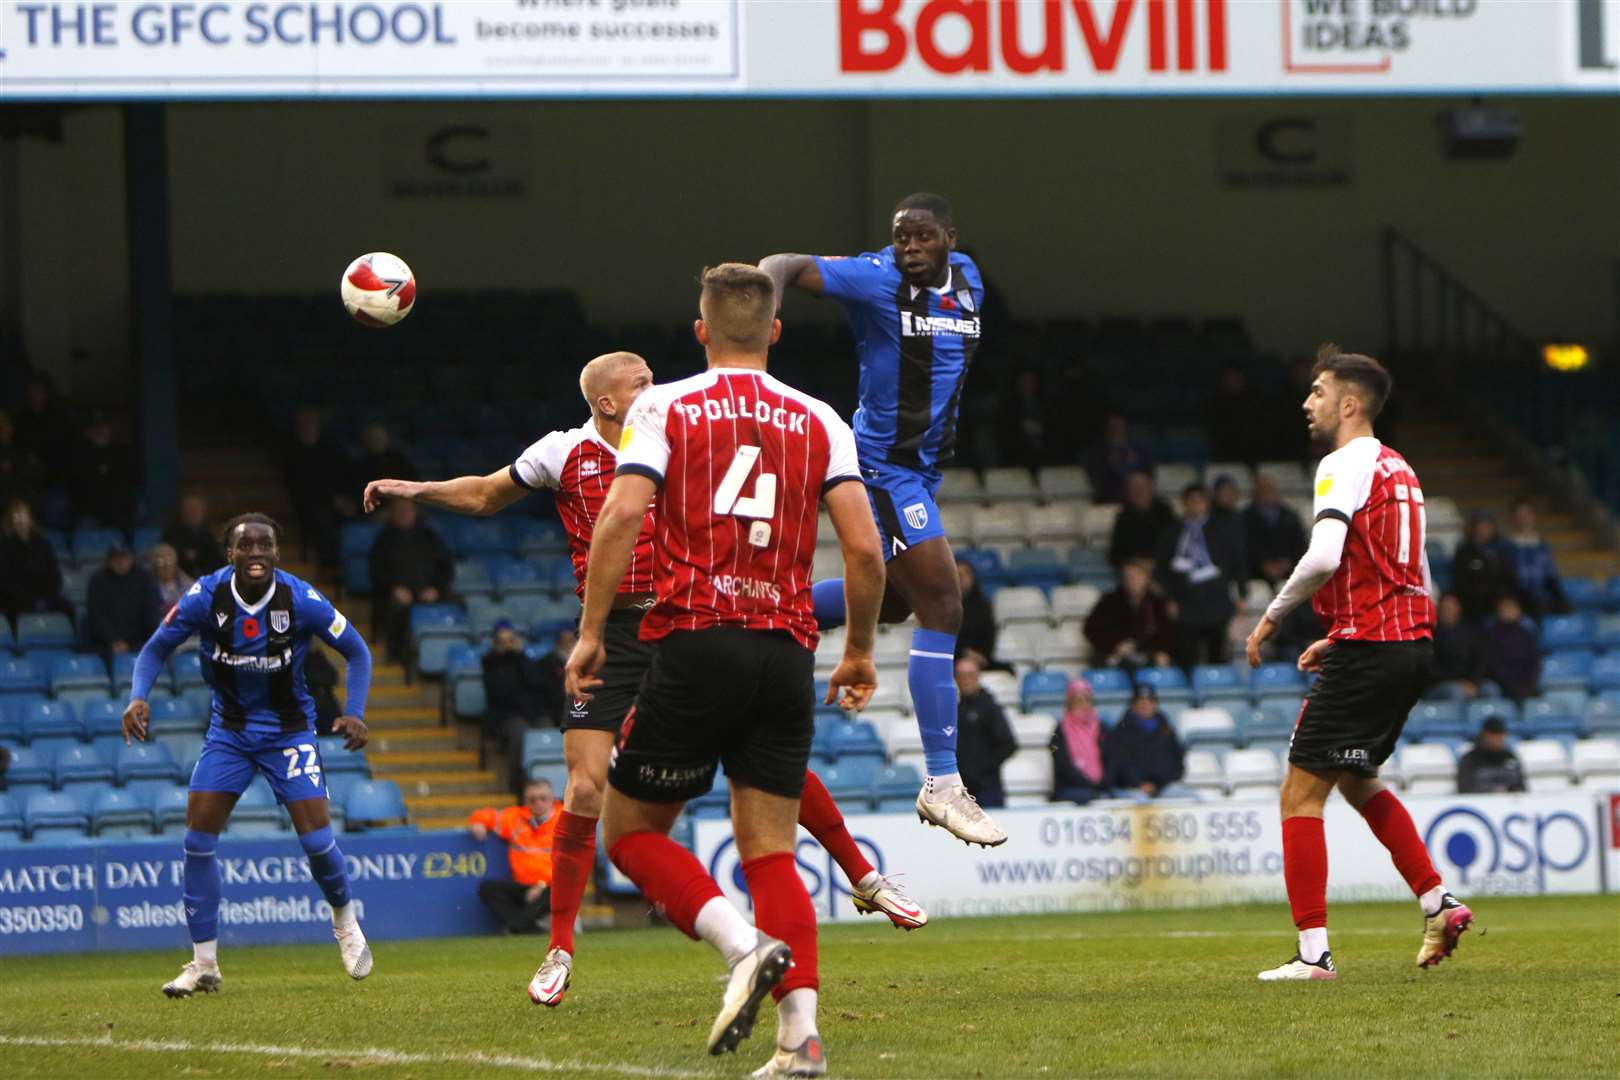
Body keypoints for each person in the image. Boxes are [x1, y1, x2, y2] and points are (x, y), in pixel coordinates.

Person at [363, 349, 922, 1015]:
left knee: (761, 755)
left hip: (688, 621)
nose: (656, 390)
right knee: (587, 786)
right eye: (642, 384)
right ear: (605, 402)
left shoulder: (679, 430)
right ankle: (561, 947)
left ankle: (860, 873)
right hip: (617, 633)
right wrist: (416, 490)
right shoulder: (563, 452)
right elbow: (486, 493)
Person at [567, 264, 886, 1075]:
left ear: (700, 330)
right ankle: (801, 1043)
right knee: (771, 849)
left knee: (632, 834)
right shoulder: (820, 419)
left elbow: (623, 512)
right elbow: (863, 548)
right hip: (787, 650)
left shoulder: (662, 404)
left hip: (699, 638)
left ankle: (742, 947)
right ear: (776, 331)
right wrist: (857, 650)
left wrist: (593, 631)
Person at [761, 193, 1007, 848]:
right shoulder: (875, 279)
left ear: (950, 237)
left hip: (923, 470)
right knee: (945, 605)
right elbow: (782, 261)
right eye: (901, 236)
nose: (910, 246)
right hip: (880, 468)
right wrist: (765, 314)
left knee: (895, 604)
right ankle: (942, 783)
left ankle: (768, 614)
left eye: (923, 235)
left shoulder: (971, 280)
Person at [1244, 344, 1472, 982]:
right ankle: (1437, 902)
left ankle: (1314, 955)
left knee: (1298, 794)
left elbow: (1322, 557)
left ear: (1349, 404)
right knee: (1353, 777)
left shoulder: (1341, 462)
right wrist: (1348, 634)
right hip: (1407, 646)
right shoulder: (1402, 469)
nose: (1306, 402)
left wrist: (1272, 617)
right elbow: (1413, 573)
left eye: (1317, 392)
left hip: (1374, 646)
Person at [120, 513, 374, 997]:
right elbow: (154, 649)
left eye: (265, 545)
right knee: (197, 841)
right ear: (229, 553)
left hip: (289, 732)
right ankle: (204, 964)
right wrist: (138, 697)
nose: (256, 552)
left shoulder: (301, 598)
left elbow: (358, 651)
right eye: (245, 545)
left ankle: (344, 920)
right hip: (230, 732)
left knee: (316, 839)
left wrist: (356, 711)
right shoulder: (205, 596)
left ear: (277, 553)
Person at [1156, 484, 1244, 668]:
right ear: (1184, 504)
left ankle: (1216, 690)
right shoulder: (1171, 532)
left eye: (1200, 500)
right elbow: (1162, 570)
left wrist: (1242, 595)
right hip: (1185, 603)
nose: (1196, 505)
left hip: (1217, 601)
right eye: (1191, 501)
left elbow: (1238, 563)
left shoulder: (1222, 530)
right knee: (1186, 655)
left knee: (1218, 655)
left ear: (1207, 503)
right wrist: (1169, 598)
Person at [367, 496, 454, 663]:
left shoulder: (430, 536)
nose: (404, 513)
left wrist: (436, 588)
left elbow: (447, 567)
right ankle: (397, 655)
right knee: (397, 606)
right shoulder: (383, 539)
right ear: (391, 513)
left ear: (414, 511)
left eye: (407, 509)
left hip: (428, 591)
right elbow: (376, 570)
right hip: (396, 593)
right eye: (399, 510)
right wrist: (393, 588)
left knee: (457, 603)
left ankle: (440, 657)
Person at [468, 780, 560, 934]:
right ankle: (527, 928)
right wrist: (478, 822)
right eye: (532, 799)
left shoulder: (564, 820)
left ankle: (516, 926)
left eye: (543, 798)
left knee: (560, 892)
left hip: (549, 886)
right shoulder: (515, 817)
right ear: (526, 801)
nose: (538, 803)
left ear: (552, 799)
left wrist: (542, 884)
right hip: (522, 886)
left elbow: (571, 866)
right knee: (487, 889)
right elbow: (487, 815)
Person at [482, 620, 560, 792]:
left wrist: (519, 656)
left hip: (533, 713)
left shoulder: (525, 660)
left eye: (510, 640)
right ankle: (518, 783)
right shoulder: (490, 663)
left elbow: (537, 683)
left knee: (549, 729)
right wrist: (503, 657)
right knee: (520, 733)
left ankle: (554, 781)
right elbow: (498, 692)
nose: (507, 645)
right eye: (502, 641)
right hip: (507, 715)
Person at [282, 406, 358, 566]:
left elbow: (342, 475)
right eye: (305, 423)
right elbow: (301, 484)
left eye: (312, 423)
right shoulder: (292, 452)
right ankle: (330, 566)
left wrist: (343, 498)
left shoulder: (330, 449)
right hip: (311, 503)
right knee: (323, 519)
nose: (309, 427)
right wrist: (332, 499)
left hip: (336, 500)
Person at [1084, 558, 1175, 671]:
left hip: (1147, 654)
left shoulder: (1157, 603)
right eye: (1129, 576)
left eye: (1137, 576)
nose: (1133, 580)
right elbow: (1091, 629)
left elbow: (1167, 632)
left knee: (1164, 663)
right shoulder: (1109, 601)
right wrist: (1115, 645)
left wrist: (1159, 651)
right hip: (1114, 655)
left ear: (1147, 579)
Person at [953, 656, 1016, 808]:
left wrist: (983, 770)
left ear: (978, 677)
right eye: (961, 676)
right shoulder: (953, 711)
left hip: (988, 789)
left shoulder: (990, 707)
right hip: (962, 790)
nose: (966, 680)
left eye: (970, 675)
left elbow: (1008, 744)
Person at [0, 498, 72, 628]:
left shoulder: (42, 542)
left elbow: (54, 573)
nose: (19, 519)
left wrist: (47, 598)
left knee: (68, 607)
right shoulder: (5, 545)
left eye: (22, 515)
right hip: (17, 598)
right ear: (10, 520)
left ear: (29, 517)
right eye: (15, 516)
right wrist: (29, 600)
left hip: (44, 596)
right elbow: (6, 580)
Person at [1102, 685, 1186, 798]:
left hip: (1164, 786)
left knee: (1190, 798)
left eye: (1150, 701)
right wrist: (1137, 784)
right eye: (1141, 702)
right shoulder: (1121, 732)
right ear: (1133, 705)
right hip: (1132, 788)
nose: (1145, 705)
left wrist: (1160, 784)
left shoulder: (1166, 730)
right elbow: (1119, 765)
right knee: (1142, 803)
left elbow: (1178, 761)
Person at [86, 541, 164, 661]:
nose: (120, 562)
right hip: (104, 644)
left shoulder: (144, 580)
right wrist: (113, 640)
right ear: (109, 560)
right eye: (116, 558)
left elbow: (150, 614)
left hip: (139, 641)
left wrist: (129, 642)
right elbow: (96, 615)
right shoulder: (98, 581)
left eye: (124, 557)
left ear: (131, 558)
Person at [70, 412, 136, 529]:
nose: (100, 431)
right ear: (89, 432)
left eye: (103, 427)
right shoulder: (81, 455)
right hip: (89, 512)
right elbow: (79, 489)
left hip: (116, 512)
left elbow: (125, 483)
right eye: (96, 428)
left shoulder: (118, 454)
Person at [1503, 499, 1565, 619]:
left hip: (1541, 602)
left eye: (1527, 515)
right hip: (1517, 602)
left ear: (1533, 517)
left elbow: (1550, 576)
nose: (1524, 519)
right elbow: (1505, 578)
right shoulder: (1506, 547)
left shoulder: (1542, 547)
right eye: (1520, 515)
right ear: (1513, 519)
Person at [1243, 474, 1308, 586]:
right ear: (1255, 493)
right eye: (1263, 490)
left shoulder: (1290, 516)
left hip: (1290, 571)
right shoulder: (1244, 518)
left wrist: (1288, 563)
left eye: (1271, 489)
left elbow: (1300, 543)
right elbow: (1244, 546)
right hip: (1255, 574)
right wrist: (1262, 564)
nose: (1268, 493)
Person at [1451, 511, 1514, 624]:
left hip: (1499, 603)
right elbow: (1459, 581)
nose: (1483, 530)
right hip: (1470, 606)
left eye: (1486, 526)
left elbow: (1509, 578)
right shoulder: (1463, 552)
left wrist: (1506, 600)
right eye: (1479, 526)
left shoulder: (1503, 550)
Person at [1050, 677, 1106, 804]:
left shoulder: (1102, 728)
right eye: (1078, 700)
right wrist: (1090, 783)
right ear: (1069, 703)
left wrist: (1103, 782)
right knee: (1087, 797)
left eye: (1087, 700)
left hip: (1101, 787)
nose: (1083, 705)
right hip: (1070, 788)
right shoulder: (1059, 732)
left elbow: (1111, 758)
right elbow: (1063, 766)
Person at [1107, 470, 1177, 568]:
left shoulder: (1166, 514)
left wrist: (1156, 562)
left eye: (1142, 488)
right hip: (1134, 570)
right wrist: (1136, 562)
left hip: (1162, 568)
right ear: (1128, 492)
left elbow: (1176, 545)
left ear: (1151, 488)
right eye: (1134, 488)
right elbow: (1115, 554)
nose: (1138, 492)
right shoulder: (1123, 518)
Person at [1083, 413, 1154, 505]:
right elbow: (1097, 479)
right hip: (1110, 499)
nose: (1117, 429)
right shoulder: (1097, 453)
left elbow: (1149, 473)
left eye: (1120, 425)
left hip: (1139, 500)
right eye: (1113, 426)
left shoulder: (1140, 451)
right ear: (1107, 428)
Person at [1482, 594, 1541, 702]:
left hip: (1525, 683)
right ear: (1498, 611)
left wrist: (1530, 684)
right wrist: (1513, 686)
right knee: (1490, 689)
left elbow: (1534, 661)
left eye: (1512, 608)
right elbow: (1494, 664)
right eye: (1506, 609)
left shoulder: (1526, 634)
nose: (1509, 612)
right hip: (1501, 683)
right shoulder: (1491, 634)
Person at [1430, 593, 1487, 698]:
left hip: (1469, 682)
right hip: (1440, 684)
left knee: (1490, 689)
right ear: (1438, 609)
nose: (1448, 611)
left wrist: (1473, 682)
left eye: (1452, 607)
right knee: (1456, 692)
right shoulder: (1430, 634)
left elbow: (1480, 660)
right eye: (1445, 608)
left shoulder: (1470, 632)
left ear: (1459, 609)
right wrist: (1458, 682)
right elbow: (1431, 669)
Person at [955, 559, 1007, 671]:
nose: (961, 578)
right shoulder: (943, 607)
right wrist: (964, 652)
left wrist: (980, 656)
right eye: (958, 574)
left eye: (965, 574)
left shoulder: (983, 605)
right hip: (952, 658)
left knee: (1007, 671)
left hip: (980, 658)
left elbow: (989, 634)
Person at [162, 492, 226, 579]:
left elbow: (215, 559)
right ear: (183, 511)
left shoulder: (208, 535)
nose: (195, 513)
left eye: (198, 510)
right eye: (191, 510)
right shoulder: (172, 534)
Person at [147, 542, 195, 608]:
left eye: (169, 563)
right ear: (154, 567)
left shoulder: (189, 584)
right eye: (161, 565)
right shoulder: (147, 586)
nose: (166, 568)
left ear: (175, 564)